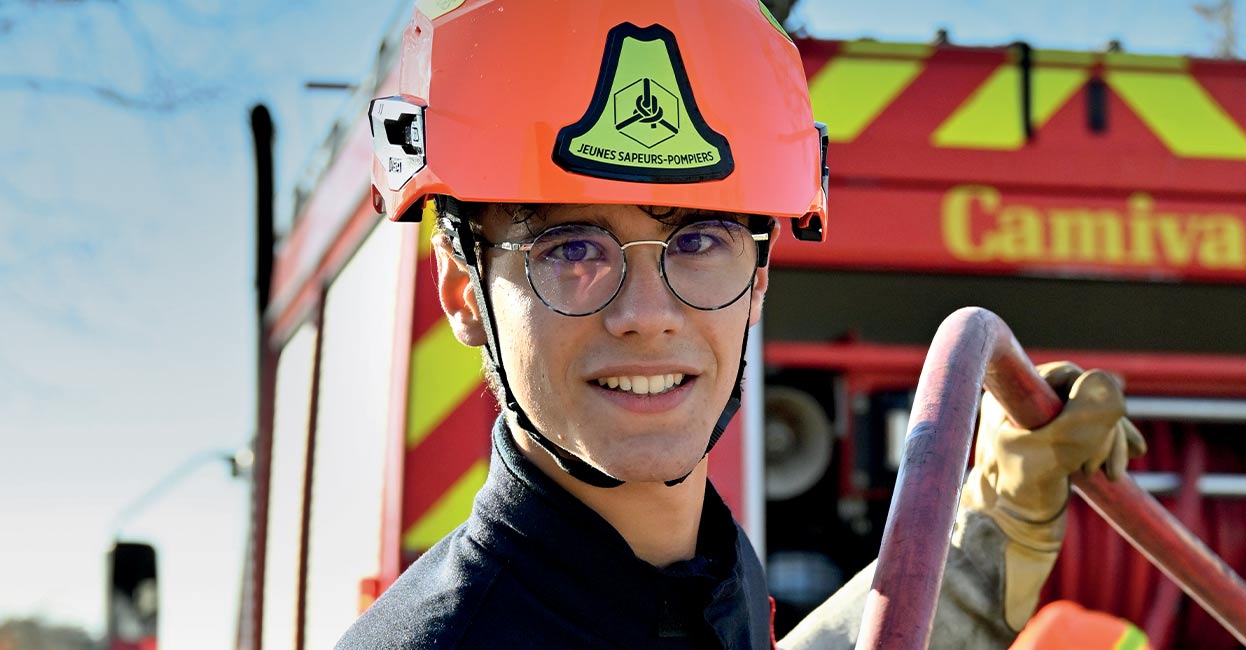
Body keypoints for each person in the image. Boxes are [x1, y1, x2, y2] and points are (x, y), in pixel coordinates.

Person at [340, 1, 1145, 648]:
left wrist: (996, 522)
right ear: (464, 293)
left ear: (758, 279)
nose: (646, 316)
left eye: (696, 242)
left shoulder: (702, 577)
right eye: (571, 248)